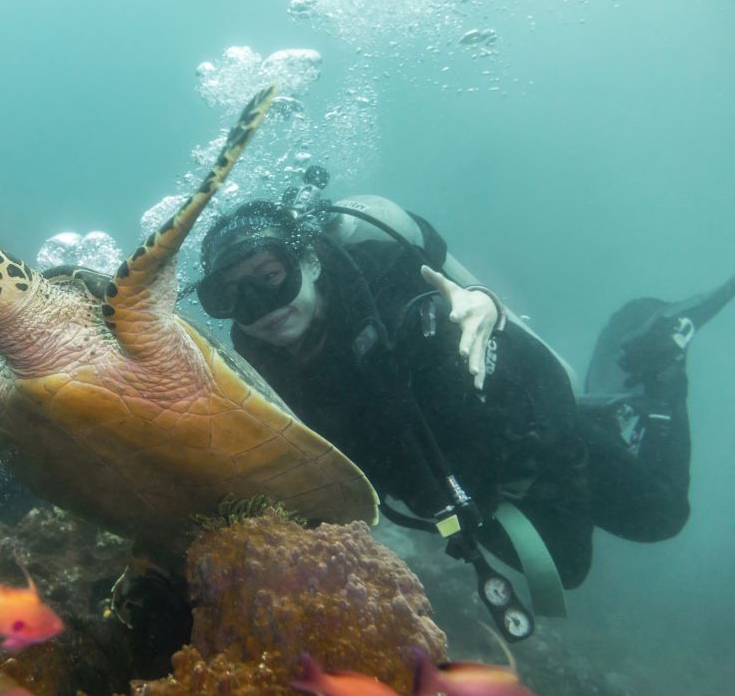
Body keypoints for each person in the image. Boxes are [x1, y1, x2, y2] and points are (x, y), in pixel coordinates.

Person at [195, 170, 735, 611]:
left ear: (310, 262)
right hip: (462, 491)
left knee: (660, 518)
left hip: (533, 445)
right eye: (232, 295)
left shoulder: (396, 305)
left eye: (270, 276)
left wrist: (489, 316)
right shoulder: (253, 374)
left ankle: (661, 358)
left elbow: (535, 371)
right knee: (567, 572)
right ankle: (610, 410)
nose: (260, 306)